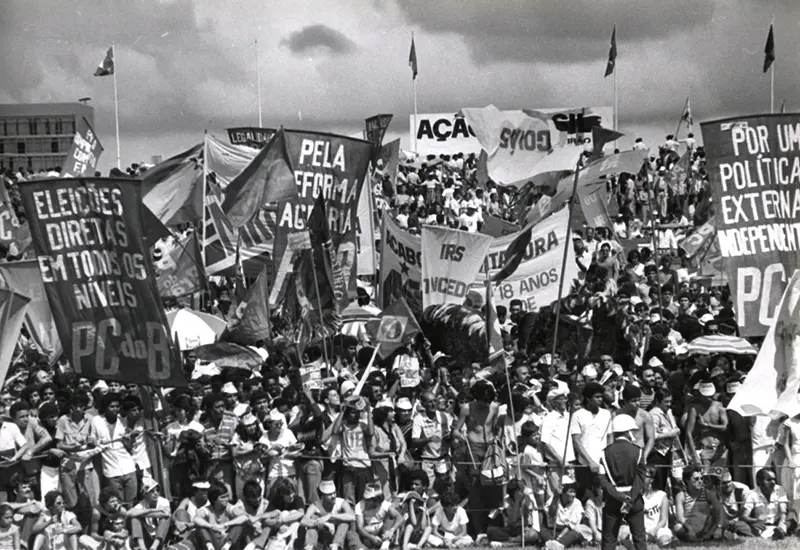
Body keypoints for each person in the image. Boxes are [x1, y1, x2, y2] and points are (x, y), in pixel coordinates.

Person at [596, 414, 647, 550]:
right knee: (640, 539)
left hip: (613, 499)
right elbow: (640, 478)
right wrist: (630, 499)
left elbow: (602, 480)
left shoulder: (603, 453)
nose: (634, 433)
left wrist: (619, 496)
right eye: (633, 430)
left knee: (609, 539)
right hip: (634, 499)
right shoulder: (638, 451)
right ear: (627, 431)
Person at [300, 480, 357, 550]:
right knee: (313, 517)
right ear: (322, 496)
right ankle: (310, 546)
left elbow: (353, 517)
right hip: (323, 534)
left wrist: (331, 515)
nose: (333, 496)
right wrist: (323, 523)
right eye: (329, 494)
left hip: (340, 534)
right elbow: (303, 521)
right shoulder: (315, 505)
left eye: (334, 493)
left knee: (344, 520)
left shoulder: (341, 502)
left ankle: (336, 546)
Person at [541, 475, 591, 550]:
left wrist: (559, 537)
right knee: (543, 532)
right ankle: (554, 545)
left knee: (574, 533)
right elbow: (551, 514)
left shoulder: (577, 503)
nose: (573, 495)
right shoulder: (554, 498)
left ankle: (555, 545)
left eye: (574, 492)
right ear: (563, 492)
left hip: (567, 532)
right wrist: (555, 497)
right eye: (570, 492)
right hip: (554, 530)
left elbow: (570, 526)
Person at [354, 482, 402, 549]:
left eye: (369, 499)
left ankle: (385, 545)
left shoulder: (385, 504)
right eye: (366, 499)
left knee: (391, 519)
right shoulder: (359, 506)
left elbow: (400, 517)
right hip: (368, 533)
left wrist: (392, 530)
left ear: (377, 499)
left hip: (382, 531)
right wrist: (372, 538)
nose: (367, 501)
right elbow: (360, 527)